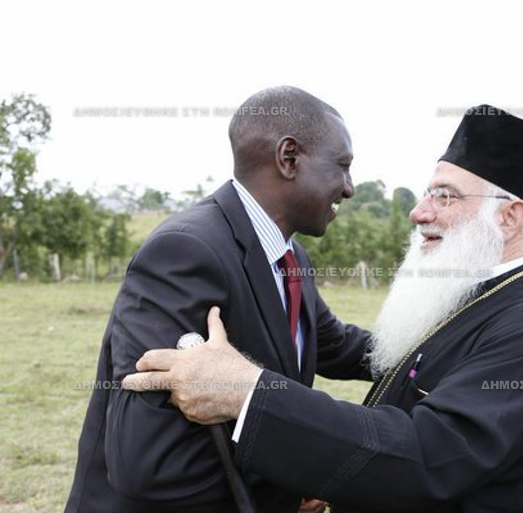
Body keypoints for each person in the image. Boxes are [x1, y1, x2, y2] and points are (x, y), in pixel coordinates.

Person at [123, 106, 523, 513]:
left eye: (445, 196)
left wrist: (248, 393)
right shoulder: (468, 299)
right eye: (428, 193)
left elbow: (425, 457)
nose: (419, 212)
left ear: (509, 217)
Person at [66, 87, 372, 513]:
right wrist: (290, 481)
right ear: (288, 158)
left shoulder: (290, 256)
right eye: (342, 166)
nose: (349, 188)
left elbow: (335, 345)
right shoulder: (186, 250)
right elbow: (150, 463)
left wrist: (436, 348)